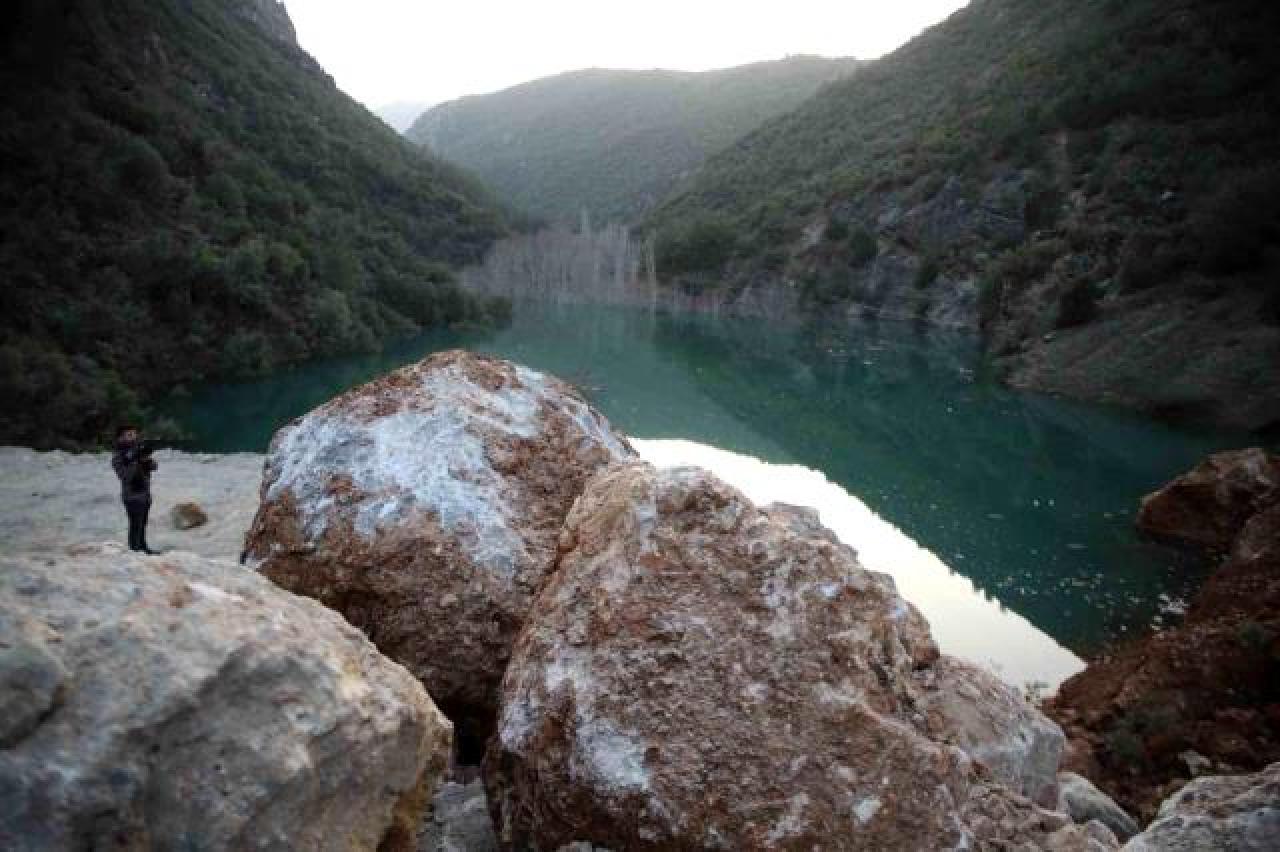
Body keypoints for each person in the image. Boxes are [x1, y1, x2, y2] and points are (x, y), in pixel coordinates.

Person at [111, 425, 158, 554]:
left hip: (145, 494)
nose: (133, 437)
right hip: (131, 496)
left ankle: (143, 548)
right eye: (129, 434)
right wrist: (134, 461)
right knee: (135, 525)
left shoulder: (138, 450)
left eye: (134, 434)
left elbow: (155, 466)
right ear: (121, 437)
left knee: (143, 524)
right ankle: (134, 551)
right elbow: (125, 476)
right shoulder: (118, 456)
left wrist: (145, 459)